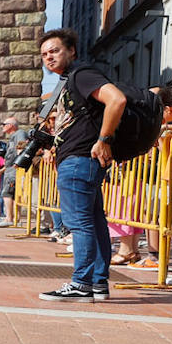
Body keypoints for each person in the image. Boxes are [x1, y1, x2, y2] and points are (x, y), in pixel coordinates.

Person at [38, 28, 128, 302]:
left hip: (79, 160)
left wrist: (104, 139)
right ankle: (98, 283)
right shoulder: (70, 81)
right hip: (78, 159)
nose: (49, 57)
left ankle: (82, 283)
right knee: (95, 222)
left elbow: (117, 99)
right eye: (44, 54)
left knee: (80, 225)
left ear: (72, 51)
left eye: (54, 51)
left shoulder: (81, 74)